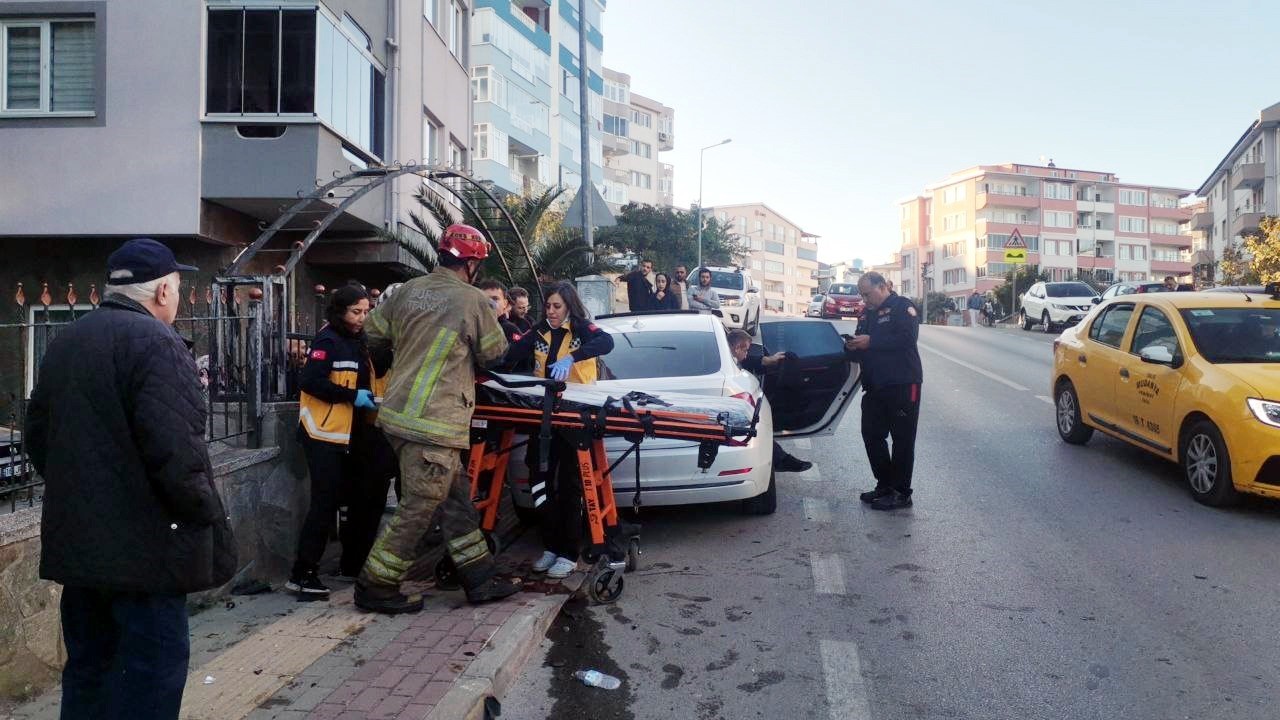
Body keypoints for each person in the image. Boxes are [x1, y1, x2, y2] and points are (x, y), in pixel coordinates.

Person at [25, 238, 236, 719]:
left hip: (83, 551)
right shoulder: (159, 344)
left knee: (89, 672)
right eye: (178, 287)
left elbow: (38, 436)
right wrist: (206, 514)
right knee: (149, 679)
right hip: (148, 557)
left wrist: (83, 492)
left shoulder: (67, 340)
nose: (178, 297)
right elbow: (179, 457)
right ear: (163, 291)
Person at [355, 224, 520, 613]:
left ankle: (479, 578)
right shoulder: (473, 301)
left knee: (454, 500)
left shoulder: (408, 291)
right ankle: (375, 585)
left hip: (398, 416)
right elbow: (495, 353)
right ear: (473, 263)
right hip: (434, 425)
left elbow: (373, 333)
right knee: (419, 506)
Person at [289, 284, 397, 598]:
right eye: (356, 312)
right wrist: (351, 396)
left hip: (348, 436)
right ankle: (303, 573)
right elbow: (309, 381)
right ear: (340, 311)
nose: (362, 317)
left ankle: (345, 565)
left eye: (366, 311)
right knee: (324, 504)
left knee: (349, 500)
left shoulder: (359, 341)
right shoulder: (329, 340)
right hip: (322, 434)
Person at [504, 281, 615, 579]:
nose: (551, 312)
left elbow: (606, 343)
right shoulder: (539, 331)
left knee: (569, 486)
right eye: (548, 306)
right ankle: (551, 545)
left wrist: (573, 358)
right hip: (544, 418)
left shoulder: (582, 330)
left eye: (557, 306)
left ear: (568, 306)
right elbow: (512, 352)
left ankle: (569, 551)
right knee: (539, 482)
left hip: (575, 418)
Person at [843, 271, 923, 511]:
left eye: (867, 294)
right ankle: (885, 485)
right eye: (862, 295)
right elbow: (862, 347)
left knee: (902, 440)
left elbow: (907, 339)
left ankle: (901, 492)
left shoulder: (902, 307)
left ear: (883, 286)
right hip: (875, 385)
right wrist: (851, 347)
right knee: (871, 434)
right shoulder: (866, 314)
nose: (865, 300)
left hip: (903, 383)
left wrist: (871, 342)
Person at [726, 330, 813, 473]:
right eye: (746, 350)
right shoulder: (728, 366)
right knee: (758, 429)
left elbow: (752, 360)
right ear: (737, 348)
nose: (747, 354)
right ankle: (783, 460)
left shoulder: (727, 358)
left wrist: (771, 359)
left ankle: (783, 460)